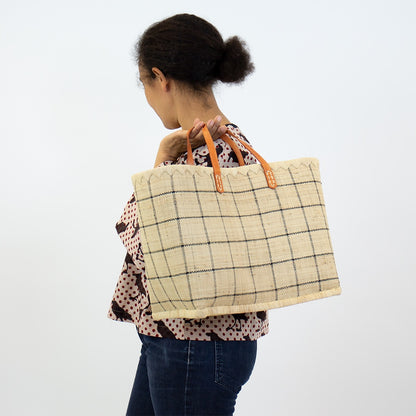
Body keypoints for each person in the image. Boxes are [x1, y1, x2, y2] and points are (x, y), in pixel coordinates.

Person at [107, 13, 269, 416]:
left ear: (161, 79)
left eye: (144, 83)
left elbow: (148, 247)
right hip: (183, 341)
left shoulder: (203, 158)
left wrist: (162, 159)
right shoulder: (234, 147)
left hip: (193, 345)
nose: (148, 98)